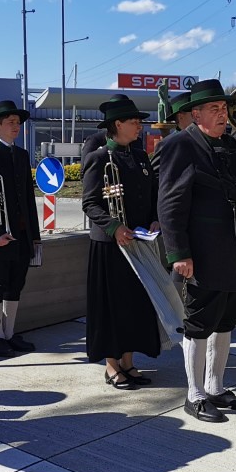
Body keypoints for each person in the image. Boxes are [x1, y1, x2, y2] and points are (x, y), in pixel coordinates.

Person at [157, 79, 236, 422]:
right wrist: (178, 254)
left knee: (225, 323)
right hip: (202, 253)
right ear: (196, 114)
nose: (222, 114)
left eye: (224, 108)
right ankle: (195, 394)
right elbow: (170, 204)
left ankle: (216, 387)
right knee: (199, 324)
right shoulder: (180, 145)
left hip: (235, 250)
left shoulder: (230, 144)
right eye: (214, 109)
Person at [81, 97, 160, 389]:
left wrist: (154, 219)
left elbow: (152, 195)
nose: (140, 126)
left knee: (134, 304)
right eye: (134, 122)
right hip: (110, 245)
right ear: (117, 124)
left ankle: (128, 361)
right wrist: (114, 227)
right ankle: (112, 366)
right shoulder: (99, 157)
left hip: (137, 242)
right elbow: (90, 203)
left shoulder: (140, 157)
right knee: (112, 306)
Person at [0, 100, 41, 356]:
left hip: (21, 234)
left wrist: (34, 236)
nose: (16, 126)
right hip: (0, 235)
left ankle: (10, 333)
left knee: (16, 284)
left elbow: (28, 198)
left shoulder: (22, 155)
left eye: (18, 122)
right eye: (11, 122)